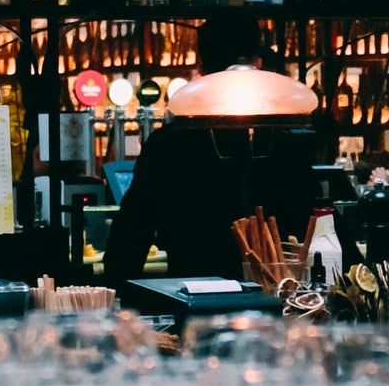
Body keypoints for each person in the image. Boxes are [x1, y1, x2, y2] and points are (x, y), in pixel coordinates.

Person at [104, 17, 324, 284]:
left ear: (201, 69)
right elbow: (320, 228)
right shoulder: (288, 143)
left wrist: (121, 308)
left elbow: (127, 243)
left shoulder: (166, 146)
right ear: (258, 64)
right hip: (280, 304)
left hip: (194, 305)